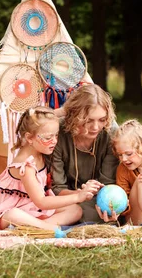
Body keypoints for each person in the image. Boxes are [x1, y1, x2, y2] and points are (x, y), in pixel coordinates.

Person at [0, 107, 93, 232]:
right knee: (13, 215)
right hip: (8, 213)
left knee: (75, 210)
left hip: (30, 208)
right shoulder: (25, 165)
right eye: (48, 137)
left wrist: (77, 193)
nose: (54, 141)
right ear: (29, 138)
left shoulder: (41, 154)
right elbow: (42, 202)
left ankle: (37, 227)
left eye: (56, 135)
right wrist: (78, 197)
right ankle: (47, 228)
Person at [50, 84, 120, 223]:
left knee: (102, 214)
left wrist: (104, 202)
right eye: (88, 120)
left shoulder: (110, 132)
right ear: (75, 116)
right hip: (67, 199)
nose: (96, 127)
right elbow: (58, 188)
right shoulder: (58, 132)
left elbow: (108, 183)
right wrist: (80, 195)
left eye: (102, 120)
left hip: (99, 198)